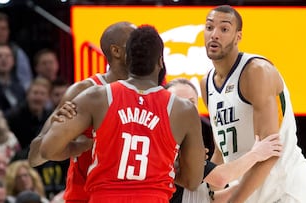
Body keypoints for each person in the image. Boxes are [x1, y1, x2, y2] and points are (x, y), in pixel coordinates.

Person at [38, 24, 206, 203]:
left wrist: (78, 147)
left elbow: (48, 149)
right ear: (160, 62)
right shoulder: (183, 109)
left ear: (128, 58)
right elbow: (192, 181)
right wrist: (166, 165)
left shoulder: (96, 96)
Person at [200, 5, 306, 202]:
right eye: (209, 27)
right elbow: (223, 153)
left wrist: (234, 201)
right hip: (249, 195)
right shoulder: (206, 83)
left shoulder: (257, 71)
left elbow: (271, 150)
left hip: (285, 191)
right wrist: (199, 192)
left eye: (224, 29)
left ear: (238, 37)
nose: (214, 35)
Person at [28, 21, 137, 203]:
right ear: (116, 51)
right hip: (85, 196)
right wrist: (72, 146)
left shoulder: (149, 92)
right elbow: (35, 157)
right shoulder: (83, 92)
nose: (141, 48)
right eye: (134, 43)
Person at [166, 78, 282, 203]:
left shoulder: (185, 142)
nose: (185, 108)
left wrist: (253, 184)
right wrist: (256, 154)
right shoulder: (169, 145)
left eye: (191, 102)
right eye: (178, 102)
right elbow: (221, 178)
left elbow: (207, 197)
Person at [0, 12, 32, 90]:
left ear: (8, 31)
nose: (0, 32)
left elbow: (26, 82)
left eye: (3, 29)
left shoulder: (17, 53)